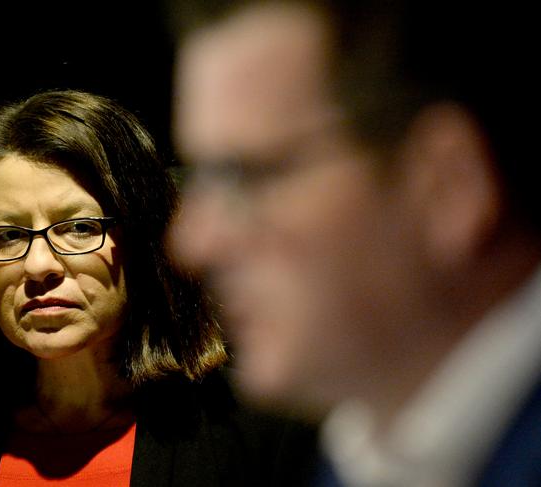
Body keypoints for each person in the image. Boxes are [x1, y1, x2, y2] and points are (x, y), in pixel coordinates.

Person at [166, 1, 541, 485]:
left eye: (246, 179)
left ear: (448, 186)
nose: (193, 245)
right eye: (202, 179)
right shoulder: (358, 460)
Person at [0, 89, 318, 486]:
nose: (38, 265)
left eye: (79, 227)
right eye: (7, 235)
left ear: (145, 240)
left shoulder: (267, 436)